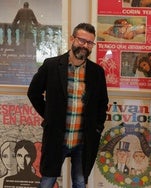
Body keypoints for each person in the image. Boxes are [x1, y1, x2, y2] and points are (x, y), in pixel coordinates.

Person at [27, 23, 109, 187]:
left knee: (79, 181)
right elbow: (33, 93)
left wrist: (97, 127)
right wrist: (49, 116)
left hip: (83, 140)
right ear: (72, 39)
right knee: (47, 181)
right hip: (57, 137)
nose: (85, 45)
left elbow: (102, 103)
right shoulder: (51, 65)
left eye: (89, 42)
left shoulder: (96, 72)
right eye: (81, 40)